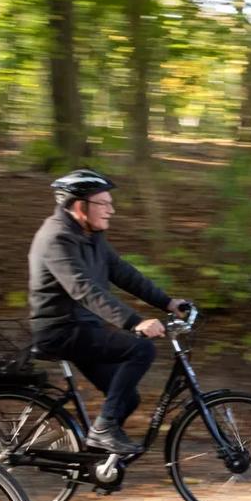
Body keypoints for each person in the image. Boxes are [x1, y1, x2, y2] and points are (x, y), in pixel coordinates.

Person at [28, 169, 188, 456]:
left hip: (83, 328)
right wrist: (135, 322)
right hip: (61, 330)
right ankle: (103, 431)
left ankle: (97, 463)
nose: (111, 210)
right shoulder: (56, 239)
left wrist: (167, 302)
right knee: (141, 350)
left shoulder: (90, 235)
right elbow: (84, 289)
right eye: (104, 203)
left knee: (126, 399)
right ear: (80, 206)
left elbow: (123, 273)